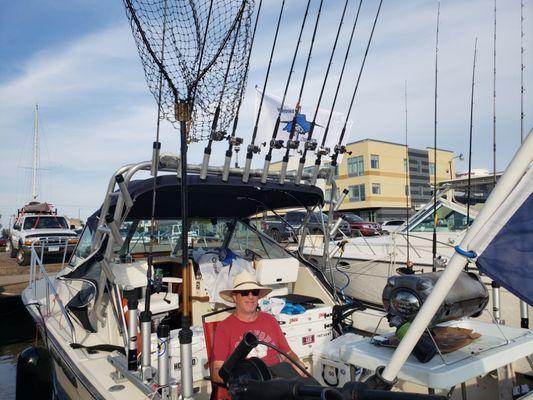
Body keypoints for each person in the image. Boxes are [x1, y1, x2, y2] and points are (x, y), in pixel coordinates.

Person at [211, 270, 305, 384]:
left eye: (254, 292)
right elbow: (217, 371)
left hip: (278, 380)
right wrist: (239, 382)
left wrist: (298, 365)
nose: (251, 297)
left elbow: (288, 354)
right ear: (235, 297)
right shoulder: (224, 328)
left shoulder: (270, 320)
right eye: (245, 292)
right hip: (249, 384)